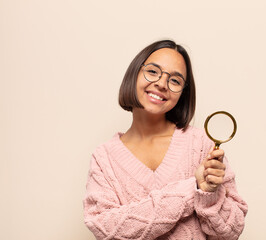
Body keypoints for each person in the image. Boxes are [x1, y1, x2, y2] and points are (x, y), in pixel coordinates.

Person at [83, 40, 248, 239]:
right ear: (134, 73)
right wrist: (191, 189)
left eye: (175, 81)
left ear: (182, 94)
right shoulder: (104, 158)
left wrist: (209, 194)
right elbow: (106, 231)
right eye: (153, 72)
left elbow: (231, 232)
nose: (161, 84)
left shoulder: (201, 144)